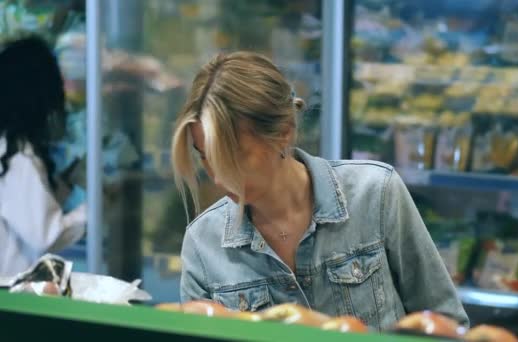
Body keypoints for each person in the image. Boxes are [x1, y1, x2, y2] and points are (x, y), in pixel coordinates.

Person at [172, 51, 468, 330]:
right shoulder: (203, 244)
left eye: (233, 155)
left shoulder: (375, 194)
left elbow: (446, 325)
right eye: (205, 156)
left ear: (284, 131)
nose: (218, 177)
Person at [0, 35, 86, 277]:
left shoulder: (8, 148)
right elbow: (46, 234)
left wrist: (66, 184)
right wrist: (96, 208)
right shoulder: (16, 156)